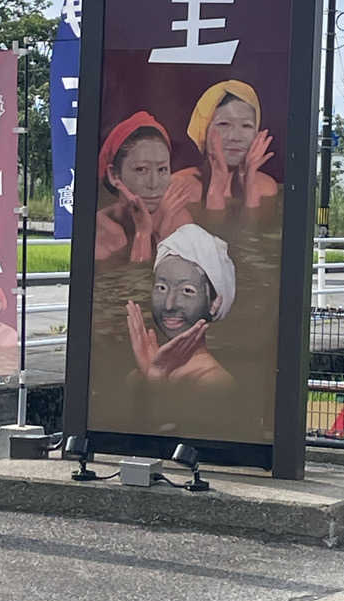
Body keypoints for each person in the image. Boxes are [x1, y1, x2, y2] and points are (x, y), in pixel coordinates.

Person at [125, 223, 235, 388]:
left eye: (187, 291)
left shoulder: (215, 382)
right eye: (161, 288)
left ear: (214, 303)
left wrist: (156, 379)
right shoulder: (141, 373)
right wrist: (154, 374)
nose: (169, 305)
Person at [96, 111, 193, 263]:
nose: (154, 184)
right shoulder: (100, 231)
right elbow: (136, 285)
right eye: (141, 169)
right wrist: (143, 233)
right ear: (114, 175)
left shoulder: (176, 218)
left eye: (162, 169)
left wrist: (162, 234)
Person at [174, 80, 277, 211]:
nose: (235, 137)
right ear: (203, 129)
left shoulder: (266, 188)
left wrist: (249, 183)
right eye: (224, 124)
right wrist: (216, 187)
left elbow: (255, 230)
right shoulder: (180, 188)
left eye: (246, 125)